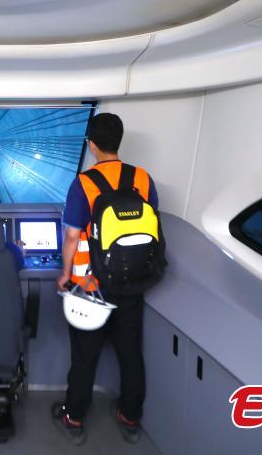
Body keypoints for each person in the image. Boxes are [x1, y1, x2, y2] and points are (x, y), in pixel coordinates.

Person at [52, 112, 159, 446]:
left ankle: (74, 417)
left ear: (92, 145)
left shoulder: (84, 183)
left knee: (85, 357)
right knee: (130, 353)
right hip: (133, 281)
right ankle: (130, 417)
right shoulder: (142, 178)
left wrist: (65, 274)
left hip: (90, 286)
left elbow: (72, 236)